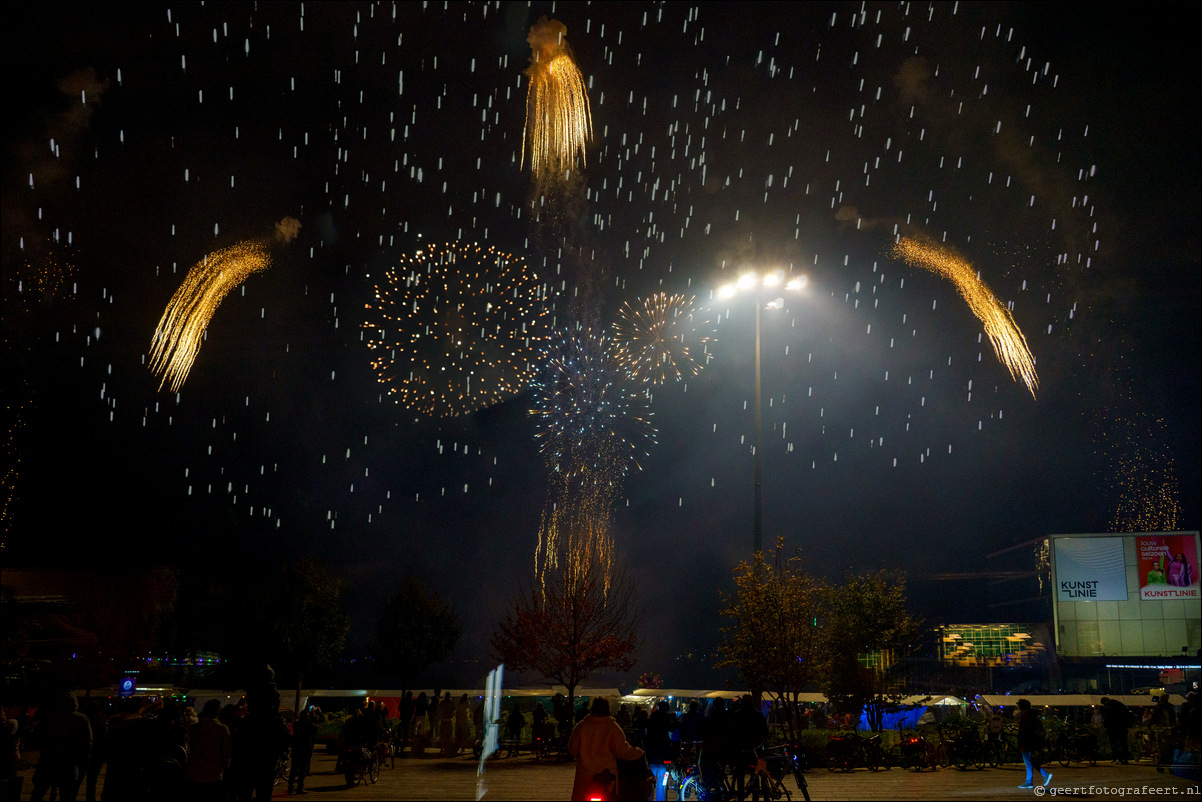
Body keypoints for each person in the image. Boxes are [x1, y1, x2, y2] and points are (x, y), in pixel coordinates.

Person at [568, 698, 644, 802]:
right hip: (606, 776)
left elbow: (572, 748)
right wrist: (638, 752)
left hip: (585, 776)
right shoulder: (613, 727)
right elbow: (622, 750)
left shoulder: (581, 726)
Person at [30, 692, 92, 802]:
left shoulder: (49, 718)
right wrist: (83, 764)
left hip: (47, 762)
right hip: (68, 764)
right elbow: (87, 743)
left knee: (38, 793)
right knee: (67, 794)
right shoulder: (82, 719)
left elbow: (36, 738)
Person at [185, 699, 232, 802]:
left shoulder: (194, 728)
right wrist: (224, 768)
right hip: (213, 774)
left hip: (194, 772)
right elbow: (226, 752)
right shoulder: (221, 729)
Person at [644, 701, 678, 802]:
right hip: (664, 756)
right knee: (662, 782)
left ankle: (649, 798)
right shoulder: (666, 719)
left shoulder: (651, 719)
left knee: (650, 782)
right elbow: (674, 728)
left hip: (652, 755)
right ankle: (659, 799)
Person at [1016, 699, 1052, 789]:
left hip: (1027, 742)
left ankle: (1037, 778)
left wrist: (1021, 744)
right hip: (1034, 742)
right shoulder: (1032, 715)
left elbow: (1023, 732)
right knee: (1030, 761)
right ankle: (1031, 780)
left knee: (1028, 762)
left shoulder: (1025, 716)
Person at [288, 708, 317, 795]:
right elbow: (314, 732)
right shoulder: (309, 725)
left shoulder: (296, 724)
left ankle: (290, 787)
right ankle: (299, 787)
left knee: (293, 769)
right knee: (302, 769)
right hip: (305, 748)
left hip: (296, 748)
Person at [1100, 697, 1132, 764]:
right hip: (1123, 726)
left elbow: (1107, 718)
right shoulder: (1120, 704)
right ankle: (1125, 759)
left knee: (1114, 743)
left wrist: (1106, 726)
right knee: (1123, 742)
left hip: (1113, 727)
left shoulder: (1108, 707)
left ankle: (1117, 758)